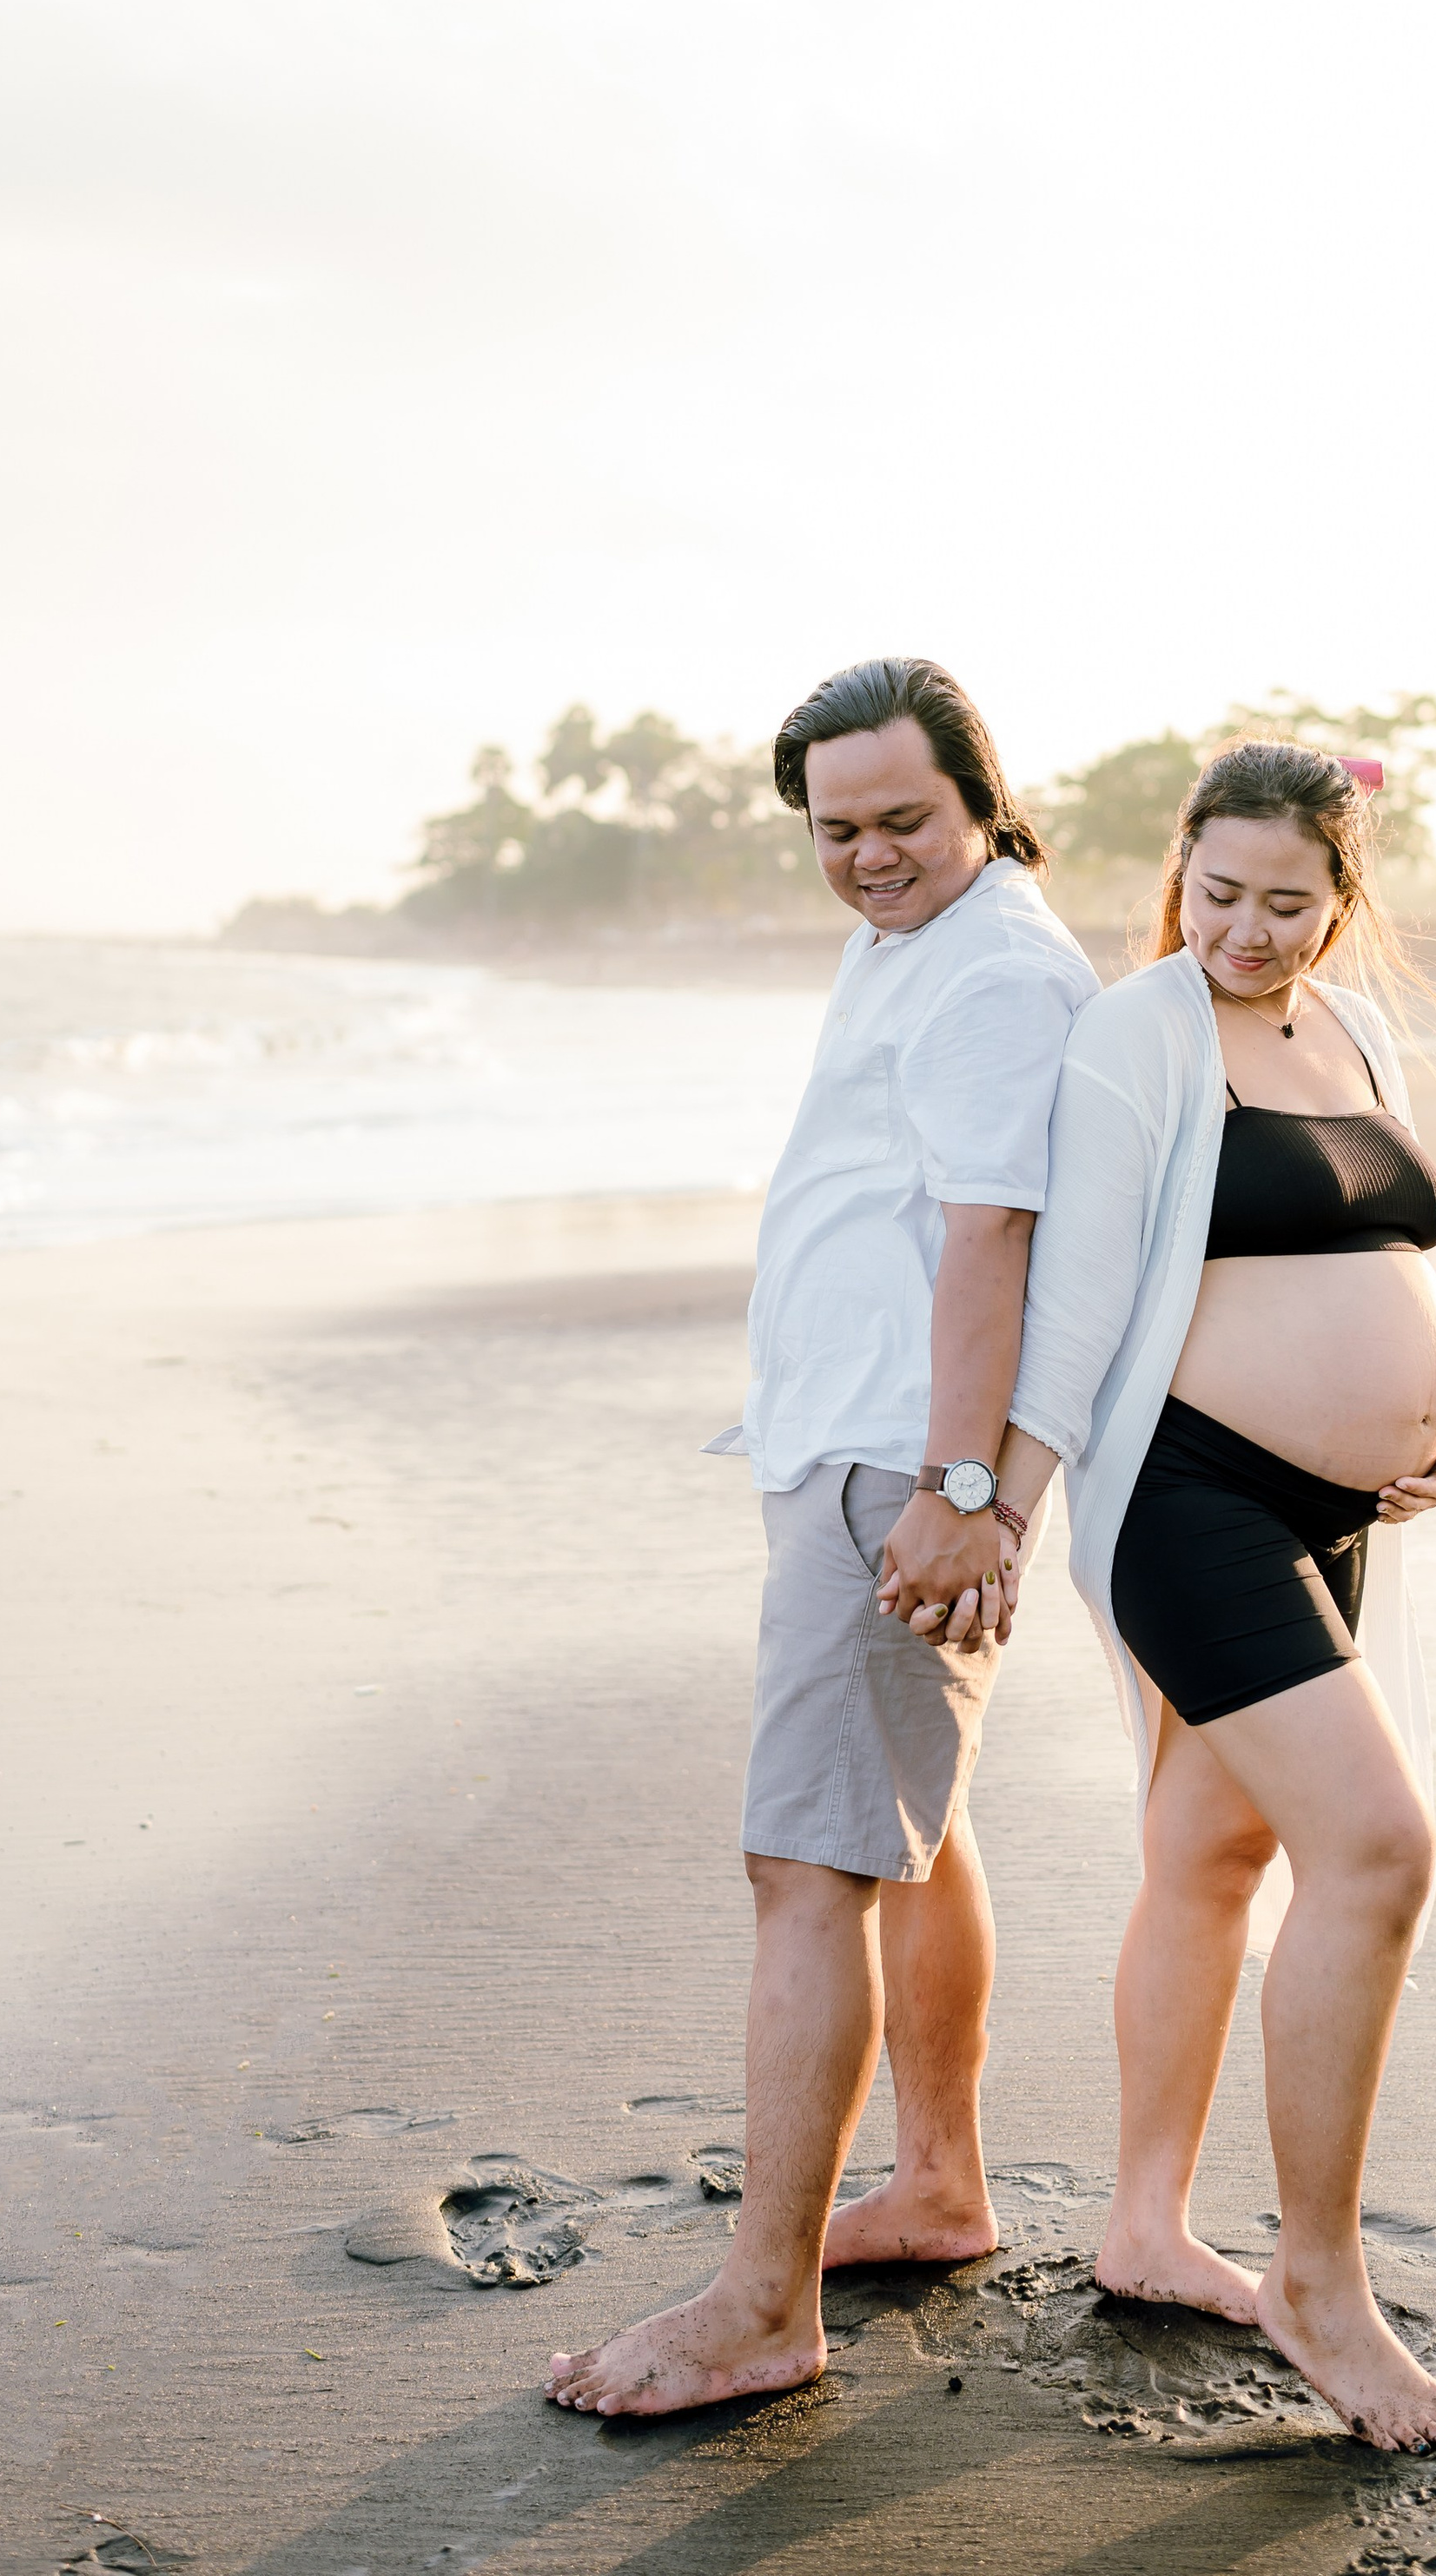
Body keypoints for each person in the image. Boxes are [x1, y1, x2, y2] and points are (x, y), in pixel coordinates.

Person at [883, 739, 1436, 2453]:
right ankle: (1318, 2279)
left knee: (1209, 1855)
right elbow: (1069, 1306)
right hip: (1190, 1506)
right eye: (1215, 893)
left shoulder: (1349, 1030)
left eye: (1284, 902)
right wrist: (990, 1510)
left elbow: (1406, 1251)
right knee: (1373, 1849)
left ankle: (1146, 2228)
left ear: (1336, 899)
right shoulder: (1138, 1033)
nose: (1243, 928)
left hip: (1335, 1508)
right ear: (1181, 874)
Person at [546, 657, 1096, 2421]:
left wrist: (956, 1493)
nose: (866, 856)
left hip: (892, 1465)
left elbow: (990, 1243)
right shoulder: (923, 939)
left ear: (981, 799)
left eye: (901, 821)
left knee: (807, 1870)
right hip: (858, 1447)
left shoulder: (996, 970)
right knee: (904, 1842)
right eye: (834, 828)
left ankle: (762, 2307)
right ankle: (935, 2183)